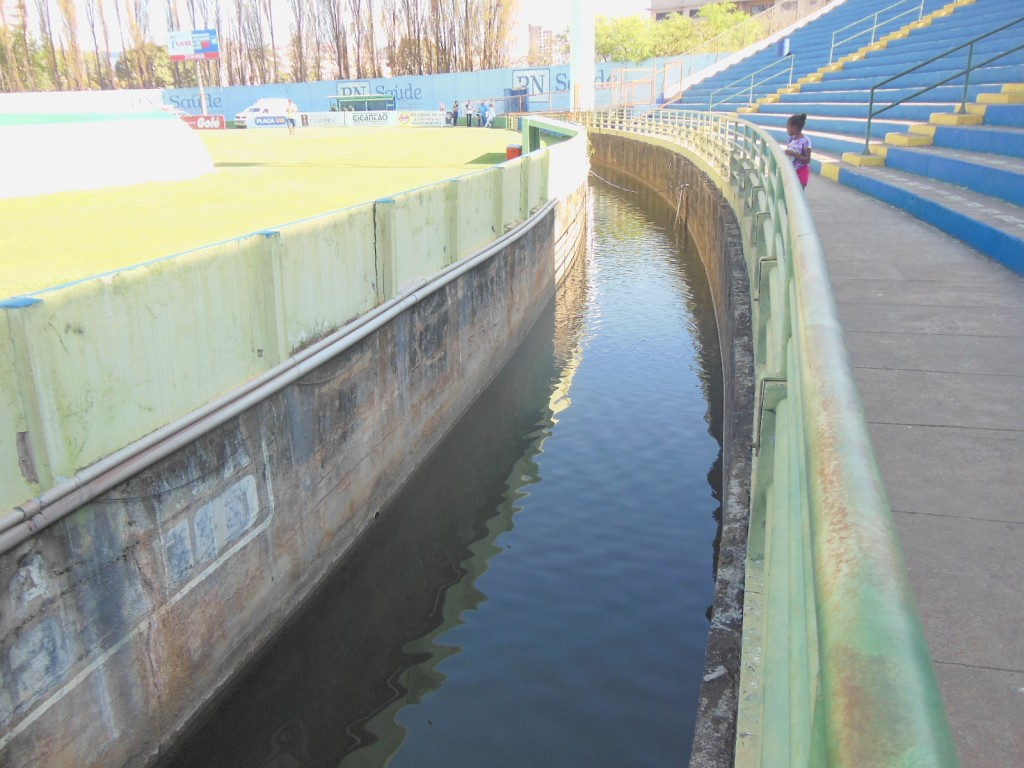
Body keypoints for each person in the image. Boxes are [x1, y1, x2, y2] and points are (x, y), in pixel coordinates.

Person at [785, 113, 812, 188]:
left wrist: (794, 154)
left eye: (787, 128)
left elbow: (807, 160)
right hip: (792, 171)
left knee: (798, 194)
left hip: (801, 171)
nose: (786, 130)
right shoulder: (791, 139)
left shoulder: (806, 141)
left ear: (793, 128)